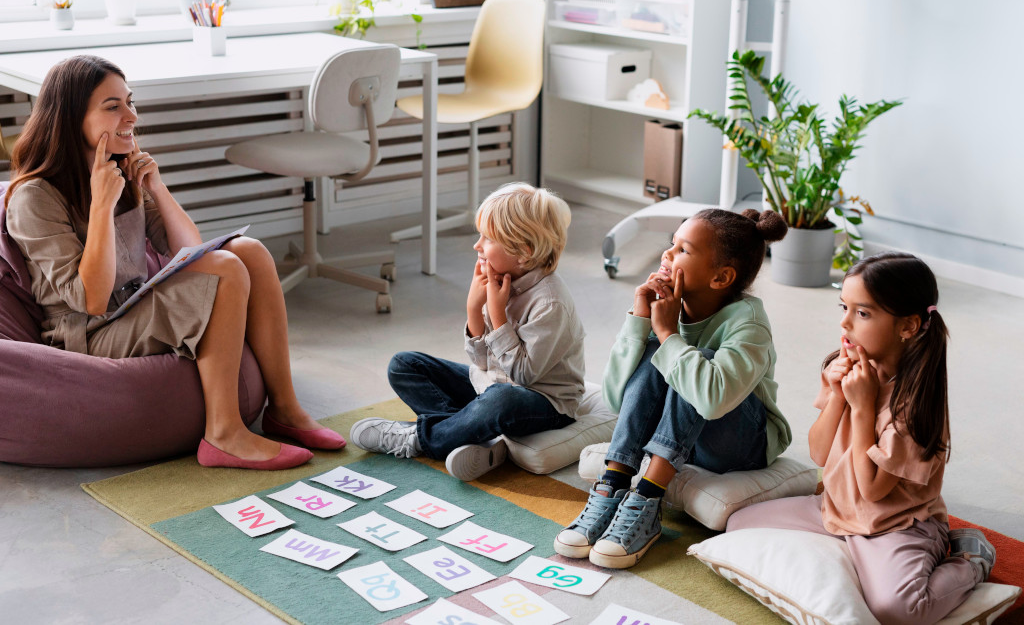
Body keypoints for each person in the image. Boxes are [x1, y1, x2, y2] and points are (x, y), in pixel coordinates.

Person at [4, 55, 345, 471]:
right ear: (71, 118)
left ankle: (285, 410)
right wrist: (101, 207)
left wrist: (156, 189)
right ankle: (224, 433)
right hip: (89, 330)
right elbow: (89, 298)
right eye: (113, 107)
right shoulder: (34, 197)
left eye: (130, 102)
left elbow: (189, 252)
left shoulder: (120, 170)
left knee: (248, 253)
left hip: (136, 304)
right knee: (227, 270)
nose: (131, 115)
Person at [727, 252, 995, 624]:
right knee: (737, 525)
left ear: (908, 326)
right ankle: (849, 547)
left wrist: (864, 406)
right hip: (834, 510)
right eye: (844, 307)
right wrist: (838, 393)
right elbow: (819, 453)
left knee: (898, 611)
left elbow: (872, 491)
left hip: (894, 524)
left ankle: (970, 560)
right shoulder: (845, 366)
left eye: (863, 313)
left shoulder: (915, 408)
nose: (844, 322)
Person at [555, 208, 791, 569]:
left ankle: (648, 496)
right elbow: (617, 400)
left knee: (694, 359)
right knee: (658, 352)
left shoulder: (749, 322)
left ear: (721, 277)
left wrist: (668, 335)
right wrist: (640, 320)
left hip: (742, 444)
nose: (667, 255)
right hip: (685, 441)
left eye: (683, 250)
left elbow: (712, 402)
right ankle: (613, 483)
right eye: (672, 244)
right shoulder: (665, 307)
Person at [349, 182, 585, 481]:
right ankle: (464, 435)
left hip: (543, 402)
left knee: (501, 400)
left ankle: (421, 440)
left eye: (487, 238)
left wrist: (497, 316)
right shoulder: (501, 279)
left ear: (523, 252)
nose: (477, 245)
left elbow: (523, 377)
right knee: (405, 365)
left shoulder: (550, 303)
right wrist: (474, 309)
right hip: (491, 385)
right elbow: (481, 363)